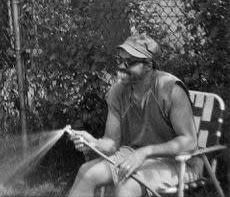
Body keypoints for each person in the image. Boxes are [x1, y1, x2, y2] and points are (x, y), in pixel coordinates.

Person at [68, 33, 203, 197]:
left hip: (179, 161)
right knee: (86, 173)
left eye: (130, 62)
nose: (122, 66)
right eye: (120, 60)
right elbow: (110, 143)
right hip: (134, 154)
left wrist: (145, 152)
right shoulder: (118, 92)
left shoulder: (171, 90)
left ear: (148, 65)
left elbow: (189, 142)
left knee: (127, 186)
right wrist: (93, 143)